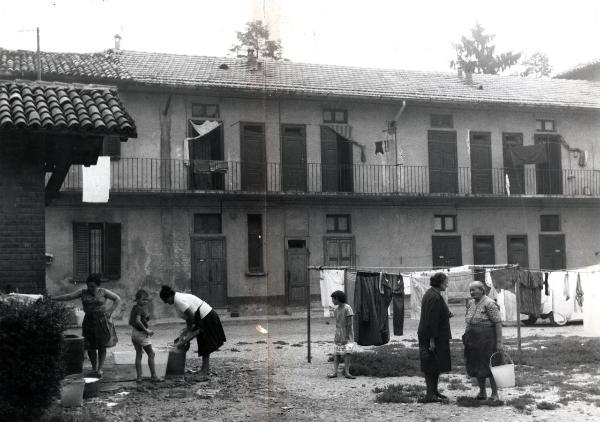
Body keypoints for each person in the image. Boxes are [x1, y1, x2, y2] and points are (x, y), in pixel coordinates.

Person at [52, 274, 120, 378]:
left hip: (102, 321)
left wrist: (110, 311)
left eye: (93, 286)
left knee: (102, 346)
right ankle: (94, 367)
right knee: (90, 346)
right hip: (89, 321)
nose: (90, 288)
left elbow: (117, 299)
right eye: (88, 286)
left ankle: (100, 369)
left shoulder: (103, 292)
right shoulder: (83, 292)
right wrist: (52, 299)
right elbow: (68, 296)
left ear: (98, 285)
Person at [159, 285, 226, 379]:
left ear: (169, 296)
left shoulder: (179, 300)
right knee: (194, 341)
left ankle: (205, 370)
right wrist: (186, 332)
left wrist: (189, 332)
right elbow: (188, 317)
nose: (166, 303)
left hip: (206, 316)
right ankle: (203, 369)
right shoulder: (178, 298)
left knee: (205, 344)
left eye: (166, 300)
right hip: (201, 317)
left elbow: (190, 316)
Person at [463, 280, 503, 401]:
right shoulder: (470, 303)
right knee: (476, 364)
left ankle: (495, 393)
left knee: (490, 364)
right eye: (470, 290)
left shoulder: (490, 303)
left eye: (474, 290)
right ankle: (482, 392)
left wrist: (499, 342)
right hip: (473, 339)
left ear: (481, 290)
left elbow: (498, 323)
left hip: (487, 338)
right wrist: (466, 335)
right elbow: (468, 320)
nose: (472, 292)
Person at [417, 272, 453, 403]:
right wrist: (432, 340)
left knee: (435, 364)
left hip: (435, 335)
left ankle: (433, 391)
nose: (447, 284)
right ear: (439, 282)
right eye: (446, 282)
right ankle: (430, 394)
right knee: (431, 364)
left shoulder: (433, 294)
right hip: (432, 336)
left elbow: (435, 314)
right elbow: (431, 320)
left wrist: (446, 313)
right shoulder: (434, 297)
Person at [129, 289, 161, 384]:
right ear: (137, 300)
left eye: (146, 300)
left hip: (134, 334)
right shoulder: (139, 309)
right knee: (151, 354)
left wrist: (146, 319)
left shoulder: (135, 308)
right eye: (143, 300)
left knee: (139, 355)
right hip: (141, 335)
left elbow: (136, 320)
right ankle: (154, 376)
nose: (145, 302)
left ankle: (139, 377)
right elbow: (138, 321)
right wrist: (146, 330)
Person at [327, 290, 356, 379]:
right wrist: (338, 334)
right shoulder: (336, 309)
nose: (332, 301)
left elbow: (349, 323)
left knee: (347, 352)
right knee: (337, 353)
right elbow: (337, 323)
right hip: (339, 332)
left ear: (338, 299)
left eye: (333, 299)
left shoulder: (347, 308)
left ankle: (347, 372)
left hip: (347, 333)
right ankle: (335, 372)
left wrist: (346, 336)